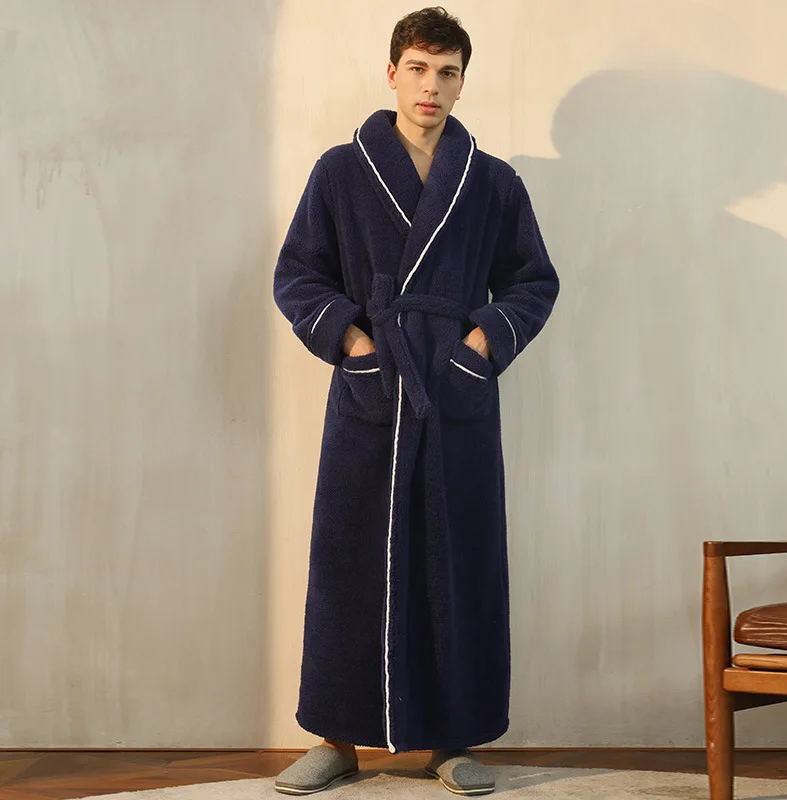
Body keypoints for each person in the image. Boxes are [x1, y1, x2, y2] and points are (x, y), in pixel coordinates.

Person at [272, 6, 559, 795]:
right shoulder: (340, 170)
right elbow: (298, 275)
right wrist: (354, 345)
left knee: (457, 561)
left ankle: (451, 737)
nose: (431, 86)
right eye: (419, 68)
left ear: (464, 83)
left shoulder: (494, 182)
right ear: (392, 71)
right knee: (349, 562)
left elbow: (534, 282)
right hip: (372, 393)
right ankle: (337, 738)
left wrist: (479, 349)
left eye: (448, 72)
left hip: (455, 398)